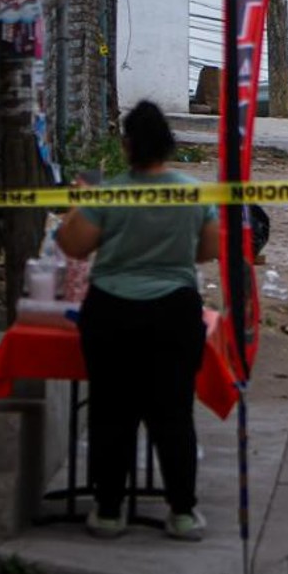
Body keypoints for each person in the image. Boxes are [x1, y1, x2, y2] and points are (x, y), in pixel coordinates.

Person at [56, 101, 219, 541]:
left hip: (112, 312)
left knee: (111, 412)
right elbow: (207, 250)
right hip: (175, 312)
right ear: (168, 144)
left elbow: (74, 246)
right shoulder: (193, 192)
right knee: (173, 414)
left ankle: (109, 512)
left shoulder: (108, 192)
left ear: (126, 145)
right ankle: (182, 513)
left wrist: (78, 204)